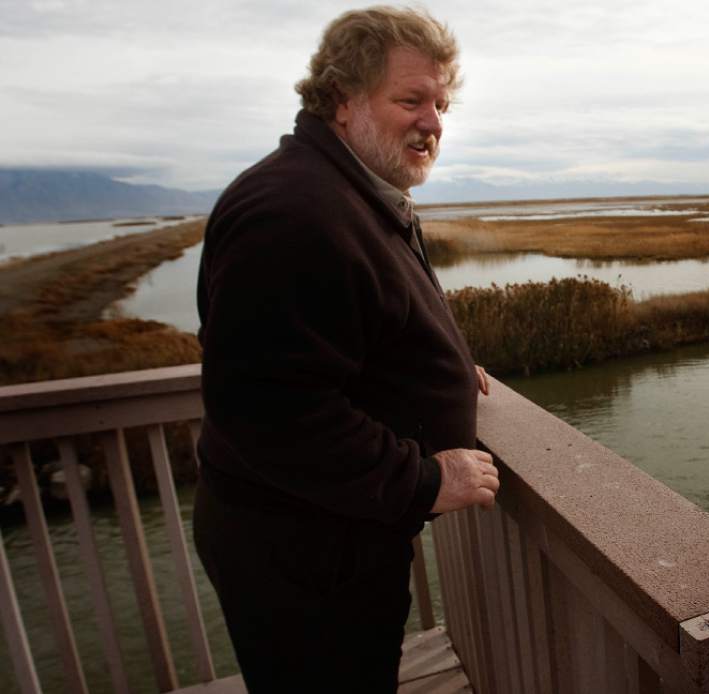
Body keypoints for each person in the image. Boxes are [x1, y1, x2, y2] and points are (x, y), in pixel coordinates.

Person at [192, 7, 498, 692]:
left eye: (441, 104)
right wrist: (425, 481)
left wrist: (441, 365)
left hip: (329, 546)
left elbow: (354, 328)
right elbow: (271, 412)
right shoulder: (293, 212)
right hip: (302, 562)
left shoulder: (348, 191)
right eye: (411, 99)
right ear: (342, 100)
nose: (434, 122)